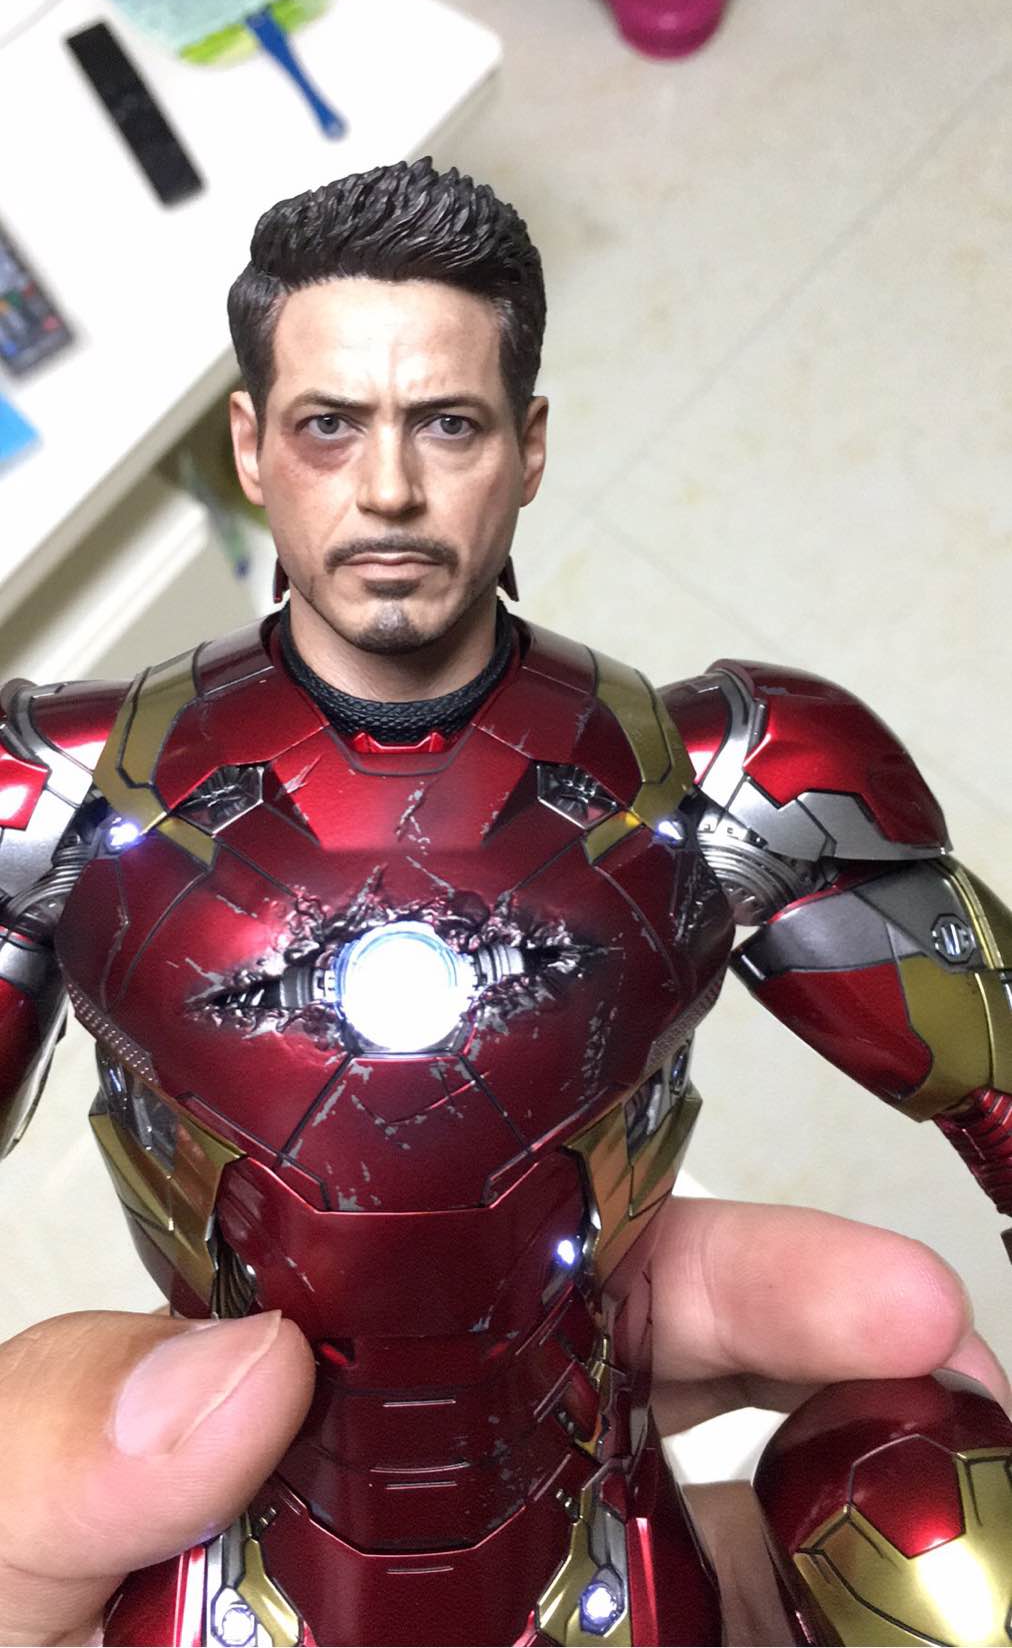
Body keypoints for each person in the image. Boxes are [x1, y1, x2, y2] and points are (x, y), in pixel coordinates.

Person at [1, 158, 1010, 1648]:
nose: (389, 489)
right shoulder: (60, 799)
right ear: (252, 448)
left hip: (607, 1575)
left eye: (447, 423)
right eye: (330, 424)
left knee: (941, 1519)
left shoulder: (726, 777)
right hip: (227, 1585)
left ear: (529, 448)